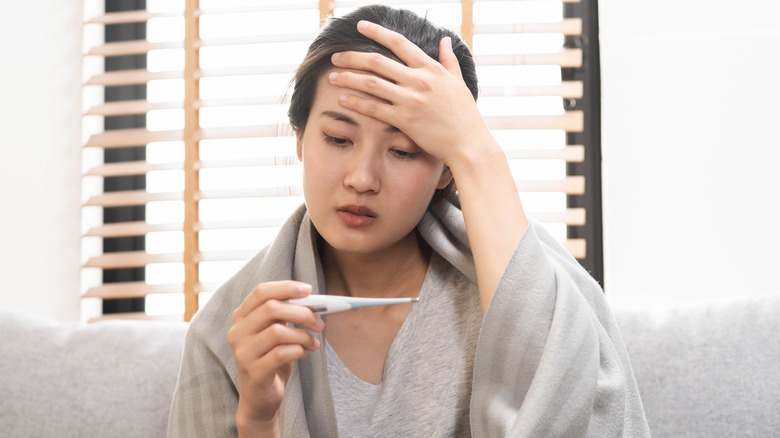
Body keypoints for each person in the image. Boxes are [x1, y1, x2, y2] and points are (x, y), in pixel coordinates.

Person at [167, 4, 650, 437]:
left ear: (446, 170)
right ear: (299, 139)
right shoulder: (224, 336)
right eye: (338, 138)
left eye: (404, 150)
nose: (362, 178)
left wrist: (476, 149)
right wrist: (257, 420)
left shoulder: (530, 288)